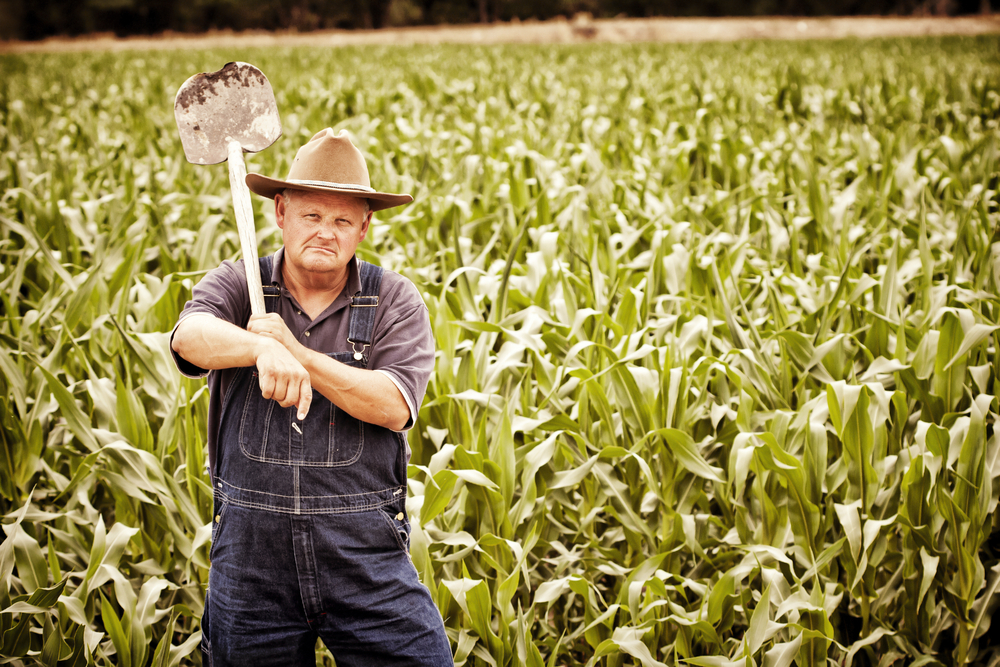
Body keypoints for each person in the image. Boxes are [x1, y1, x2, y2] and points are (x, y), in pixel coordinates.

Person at [170, 128, 452, 666]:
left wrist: (296, 353)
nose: (326, 232)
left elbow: (393, 404)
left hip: (364, 561)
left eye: (343, 220)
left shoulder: (394, 299)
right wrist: (259, 349)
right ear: (280, 213)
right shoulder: (238, 283)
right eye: (312, 216)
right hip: (253, 567)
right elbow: (189, 337)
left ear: (364, 227)